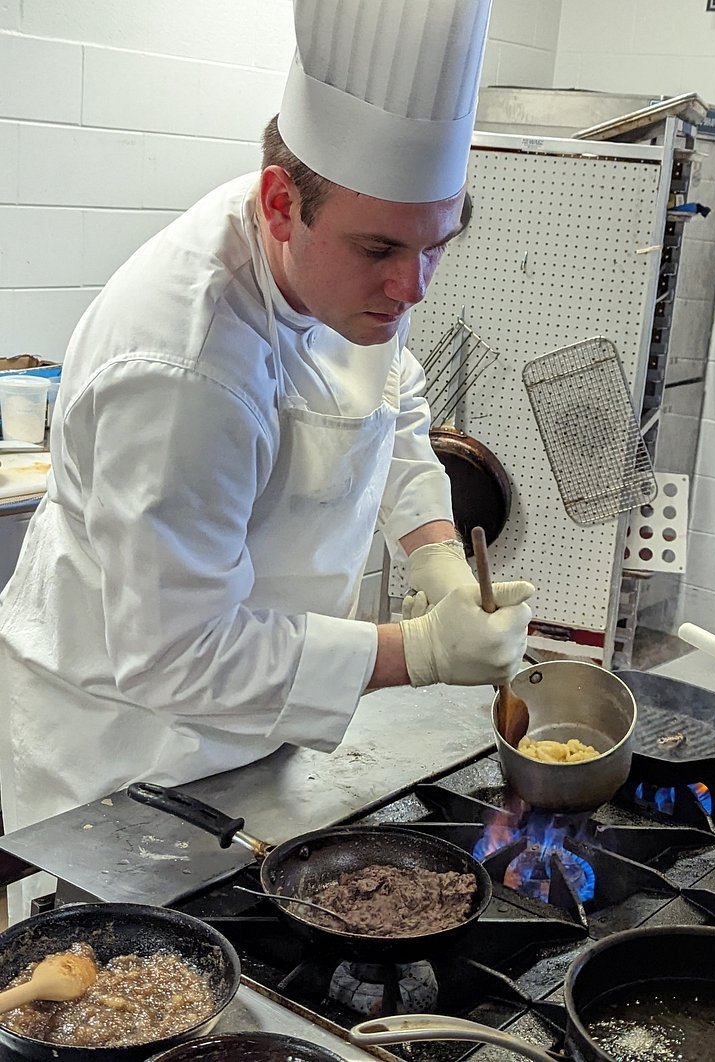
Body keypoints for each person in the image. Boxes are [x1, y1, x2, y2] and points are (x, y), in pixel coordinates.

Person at [0, 0, 534, 923]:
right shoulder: (182, 367)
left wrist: (436, 554)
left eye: (434, 247)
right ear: (282, 204)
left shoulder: (348, 274)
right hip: (130, 749)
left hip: (264, 711)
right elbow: (175, 654)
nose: (410, 289)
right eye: (381, 251)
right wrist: (419, 652)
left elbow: (393, 395)